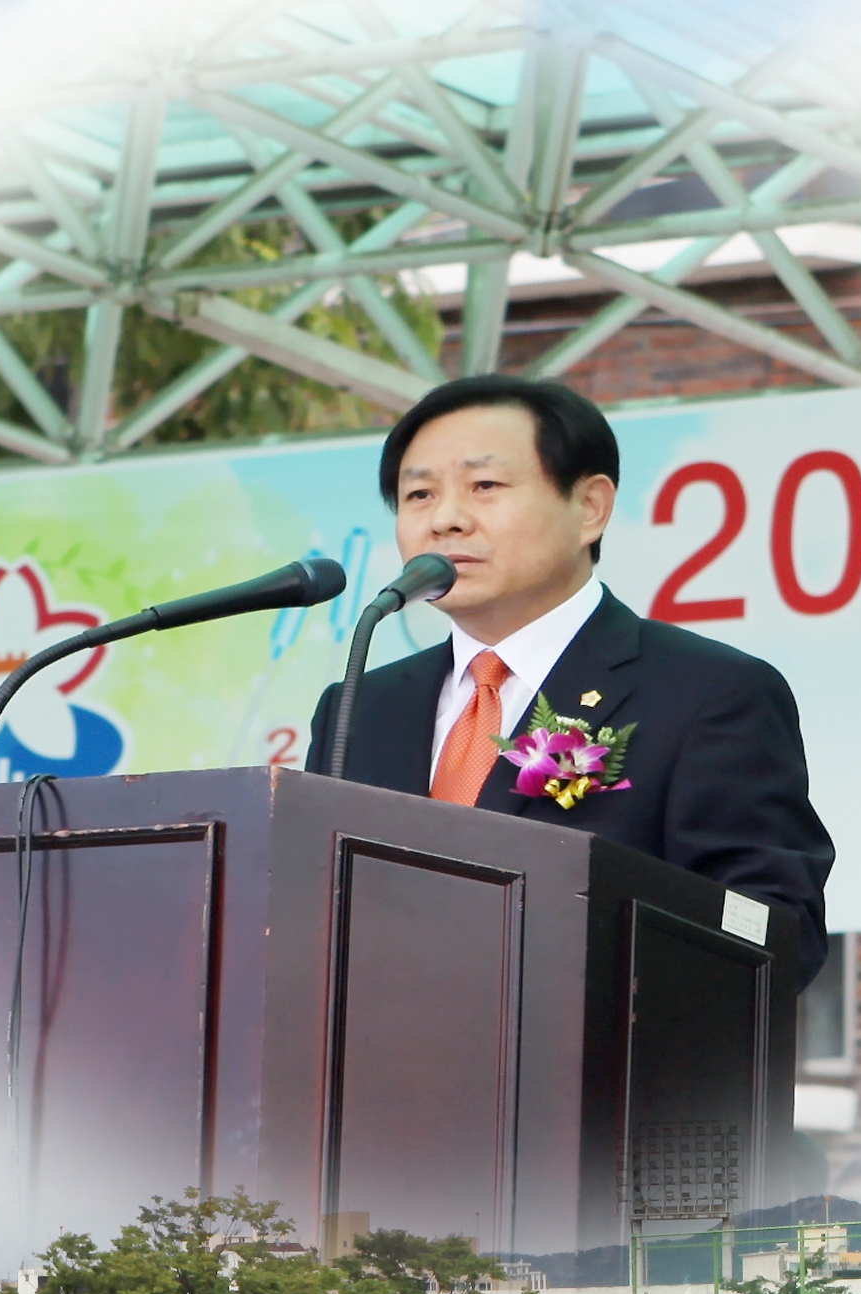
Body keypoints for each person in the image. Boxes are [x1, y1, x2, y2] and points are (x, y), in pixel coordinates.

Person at [309, 377, 832, 994]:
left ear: (590, 508)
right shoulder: (360, 708)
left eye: (485, 487)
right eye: (419, 494)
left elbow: (774, 931)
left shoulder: (709, 694)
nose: (446, 520)